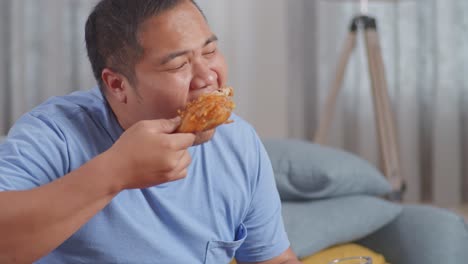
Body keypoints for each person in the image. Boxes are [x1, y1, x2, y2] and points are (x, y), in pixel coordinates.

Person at [0, 0, 301, 263]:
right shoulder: (55, 134)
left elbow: (273, 259)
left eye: (209, 51)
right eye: (178, 65)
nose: (208, 77)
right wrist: (115, 171)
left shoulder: (238, 142)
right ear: (117, 85)